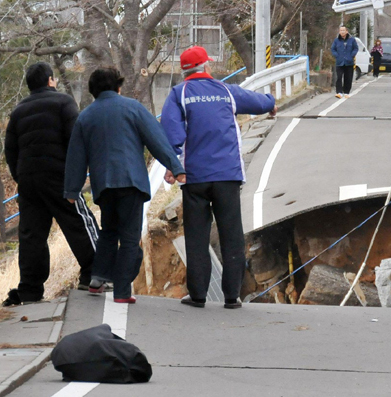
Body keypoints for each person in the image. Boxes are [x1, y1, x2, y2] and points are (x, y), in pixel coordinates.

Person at [160, 46, 276, 310]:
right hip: (227, 175)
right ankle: (232, 296)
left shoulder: (179, 94)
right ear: (206, 67)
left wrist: (171, 164)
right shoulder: (226, 91)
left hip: (195, 177)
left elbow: (171, 133)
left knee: (197, 236)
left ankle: (198, 295)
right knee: (231, 234)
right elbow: (257, 102)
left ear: (184, 71)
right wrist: (271, 104)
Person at [64, 67, 183, 304]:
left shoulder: (85, 117)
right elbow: (156, 139)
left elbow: (76, 157)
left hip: (104, 185)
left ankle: (97, 279)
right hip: (131, 182)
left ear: (93, 91)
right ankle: (121, 291)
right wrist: (176, 167)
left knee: (108, 232)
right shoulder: (133, 108)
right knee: (129, 237)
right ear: (118, 87)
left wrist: (72, 190)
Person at [2, 63, 100, 307]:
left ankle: (30, 290)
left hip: (28, 180)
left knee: (31, 234)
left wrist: (20, 176)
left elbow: (10, 149)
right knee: (77, 221)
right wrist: (77, 174)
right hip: (58, 175)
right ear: (50, 81)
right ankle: (95, 273)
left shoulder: (18, 110)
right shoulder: (63, 102)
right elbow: (76, 139)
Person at [331, 25, 358, 98]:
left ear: (347, 31)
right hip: (339, 62)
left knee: (348, 77)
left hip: (349, 62)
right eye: (341, 30)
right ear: (339, 32)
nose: (342, 32)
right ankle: (339, 92)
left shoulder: (352, 40)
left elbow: (355, 48)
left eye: (343, 30)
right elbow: (333, 49)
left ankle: (346, 92)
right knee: (339, 77)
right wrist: (337, 55)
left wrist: (352, 55)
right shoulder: (336, 40)